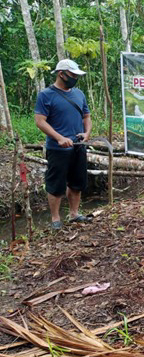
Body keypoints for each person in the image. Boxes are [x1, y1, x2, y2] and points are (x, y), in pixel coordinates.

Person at [34, 59, 91, 230]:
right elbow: (40, 121)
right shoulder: (45, 95)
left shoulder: (79, 94)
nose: (75, 78)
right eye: (73, 75)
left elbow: (86, 117)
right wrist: (59, 138)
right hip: (57, 149)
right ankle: (55, 219)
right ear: (62, 74)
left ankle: (74, 214)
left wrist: (86, 133)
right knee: (56, 184)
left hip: (78, 146)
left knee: (77, 182)